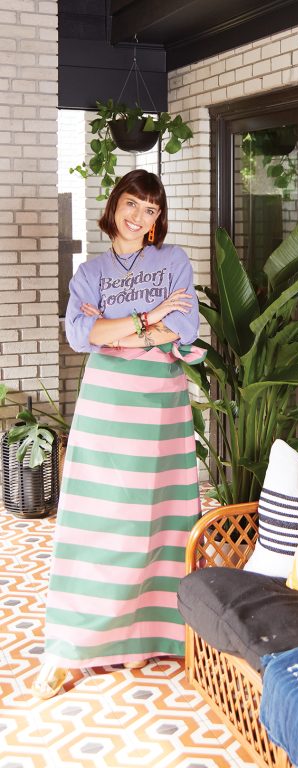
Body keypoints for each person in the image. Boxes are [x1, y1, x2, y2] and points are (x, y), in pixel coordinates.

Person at [32, 169, 205, 699]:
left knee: (160, 523)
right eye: (132, 203)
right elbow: (82, 335)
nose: (139, 216)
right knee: (99, 525)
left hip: (161, 408)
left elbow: (188, 327)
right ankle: (75, 647)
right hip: (107, 407)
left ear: (157, 220)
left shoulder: (173, 261)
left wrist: (122, 326)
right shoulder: (89, 272)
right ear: (115, 206)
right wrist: (152, 316)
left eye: (151, 209)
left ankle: (161, 635)